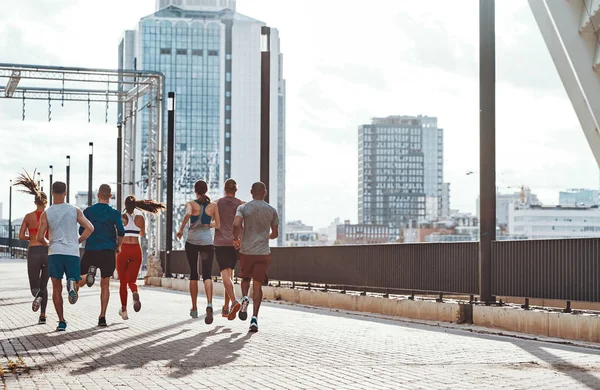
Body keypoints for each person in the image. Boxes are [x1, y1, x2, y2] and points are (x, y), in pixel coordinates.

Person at [37, 181, 94, 332]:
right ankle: (71, 284)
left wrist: (49, 243)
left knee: (56, 287)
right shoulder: (74, 210)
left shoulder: (46, 213)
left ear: (52, 192)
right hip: (72, 252)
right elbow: (90, 228)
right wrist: (79, 240)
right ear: (66, 193)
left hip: (55, 252)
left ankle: (61, 322)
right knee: (75, 279)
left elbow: (39, 237)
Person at [233, 182, 279, 333]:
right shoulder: (272, 210)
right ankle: (254, 319)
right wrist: (267, 236)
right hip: (263, 253)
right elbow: (275, 234)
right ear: (265, 192)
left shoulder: (243, 208)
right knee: (258, 286)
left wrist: (236, 239)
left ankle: (245, 297)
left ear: (251, 192)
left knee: (245, 278)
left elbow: (236, 225)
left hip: (247, 252)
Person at [77, 184, 125, 327]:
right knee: (105, 284)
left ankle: (88, 275)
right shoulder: (115, 213)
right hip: (108, 251)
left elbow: (81, 230)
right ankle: (102, 317)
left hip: (91, 249)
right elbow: (121, 232)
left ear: (98, 195)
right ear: (110, 196)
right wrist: (118, 246)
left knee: (80, 281)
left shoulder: (89, 211)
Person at [176, 180, 220, 324]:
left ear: (195, 190)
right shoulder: (213, 206)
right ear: (206, 190)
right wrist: (208, 224)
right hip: (207, 243)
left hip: (192, 243)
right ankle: (209, 304)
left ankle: (194, 308)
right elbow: (218, 224)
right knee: (207, 275)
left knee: (194, 274)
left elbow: (188, 214)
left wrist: (181, 229)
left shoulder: (191, 204)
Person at [117, 195, 165, 320]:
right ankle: (134, 291)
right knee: (131, 281)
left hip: (124, 249)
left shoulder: (121, 218)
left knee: (123, 282)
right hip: (136, 249)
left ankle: (124, 310)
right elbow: (142, 234)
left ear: (125, 205)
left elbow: (117, 234)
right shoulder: (141, 217)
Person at [15, 170, 49, 325]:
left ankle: (37, 295)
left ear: (35, 202)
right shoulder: (50, 215)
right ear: (46, 202)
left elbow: (21, 236)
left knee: (34, 284)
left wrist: (32, 237)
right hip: (48, 251)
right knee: (44, 285)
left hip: (34, 250)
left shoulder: (28, 216)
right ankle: (43, 315)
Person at [214, 179, 245, 320]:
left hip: (221, 243)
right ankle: (226, 308)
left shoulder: (216, 203)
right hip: (235, 243)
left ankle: (234, 302)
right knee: (230, 276)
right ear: (236, 190)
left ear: (224, 189)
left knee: (224, 276)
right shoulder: (241, 204)